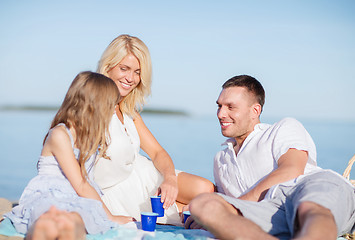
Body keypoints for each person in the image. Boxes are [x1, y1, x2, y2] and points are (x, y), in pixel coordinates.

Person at [185, 75, 355, 239]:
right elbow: (230, 206)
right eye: (219, 106)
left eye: (230, 107)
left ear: (255, 110)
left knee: (308, 207)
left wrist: (232, 206)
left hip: (304, 189)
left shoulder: (282, 128)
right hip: (268, 212)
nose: (220, 114)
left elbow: (292, 170)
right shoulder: (221, 160)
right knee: (203, 205)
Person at [94, 34, 215, 225]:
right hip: (117, 188)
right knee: (199, 209)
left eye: (137, 72)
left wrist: (170, 179)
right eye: (124, 68)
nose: (130, 78)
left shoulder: (129, 112)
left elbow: (158, 152)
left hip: (142, 173)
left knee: (206, 190)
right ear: (107, 67)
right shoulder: (92, 109)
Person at [4, 71, 130, 239]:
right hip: (50, 193)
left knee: (73, 221)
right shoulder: (60, 135)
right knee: (47, 220)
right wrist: (111, 217)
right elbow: (81, 184)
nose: (115, 110)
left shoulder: (90, 139)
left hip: (77, 198)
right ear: (95, 106)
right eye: (111, 105)